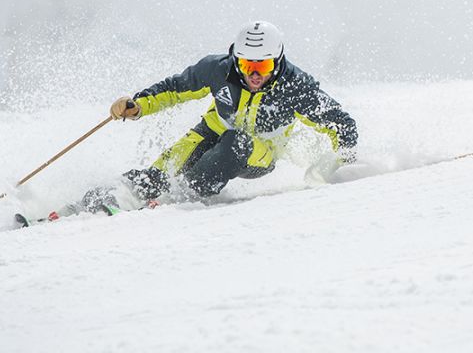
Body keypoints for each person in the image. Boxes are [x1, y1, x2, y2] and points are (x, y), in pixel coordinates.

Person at [75, 21, 358, 215]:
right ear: (237, 60)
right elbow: (174, 89)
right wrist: (137, 106)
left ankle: (180, 196)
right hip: (212, 130)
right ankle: (111, 195)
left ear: (278, 61)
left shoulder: (295, 86)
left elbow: (340, 123)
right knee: (168, 167)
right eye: (248, 65)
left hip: (259, 152)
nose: (255, 75)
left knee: (235, 143)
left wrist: (344, 165)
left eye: (264, 65)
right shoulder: (218, 70)